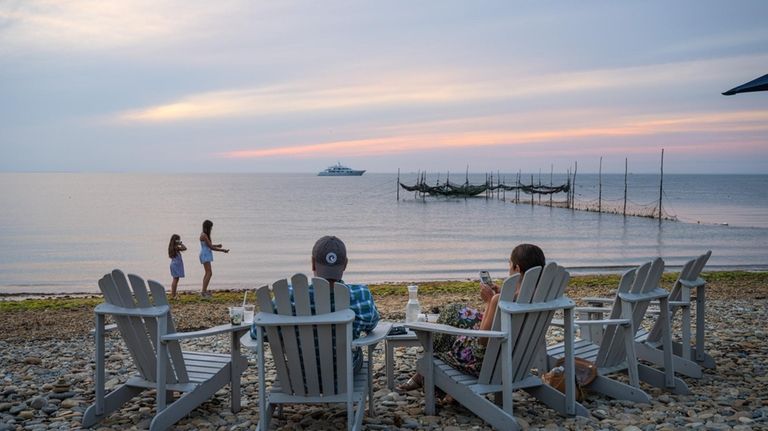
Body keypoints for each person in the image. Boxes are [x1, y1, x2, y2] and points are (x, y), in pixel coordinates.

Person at [397, 243, 546, 392]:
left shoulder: (499, 300)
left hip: (486, 362)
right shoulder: (540, 296)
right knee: (455, 310)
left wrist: (490, 302)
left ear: (517, 268)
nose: (509, 268)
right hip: (517, 358)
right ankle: (428, 378)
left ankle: (427, 371)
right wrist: (501, 293)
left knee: (451, 326)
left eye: (510, 264)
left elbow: (483, 339)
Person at [251, 235, 380, 372]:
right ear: (345, 265)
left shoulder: (287, 296)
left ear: (313, 263)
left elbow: (256, 332)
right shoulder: (361, 295)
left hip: (299, 377)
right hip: (344, 377)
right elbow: (372, 325)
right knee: (356, 352)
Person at [199, 219, 229, 297]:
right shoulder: (204, 235)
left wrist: (217, 245)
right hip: (205, 254)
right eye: (211, 227)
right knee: (209, 273)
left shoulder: (204, 235)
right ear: (207, 227)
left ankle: (204, 290)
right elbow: (211, 247)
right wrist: (222, 250)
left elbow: (209, 245)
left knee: (207, 273)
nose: (211, 229)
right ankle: (203, 291)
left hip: (206, 253)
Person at [168, 234, 187, 300]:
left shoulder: (172, 247)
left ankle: (173, 294)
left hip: (174, 265)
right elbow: (185, 248)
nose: (179, 241)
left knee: (175, 279)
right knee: (175, 280)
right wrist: (181, 243)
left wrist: (179, 243)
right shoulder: (176, 247)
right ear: (175, 240)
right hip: (175, 265)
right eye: (178, 239)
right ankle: (173, 295)